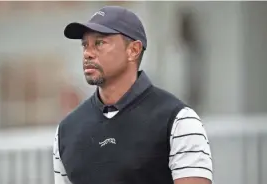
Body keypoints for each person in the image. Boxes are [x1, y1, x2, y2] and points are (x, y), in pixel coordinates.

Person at [53, 5, 213, 184]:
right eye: (85, 45)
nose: (88, 53)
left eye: (99, 43)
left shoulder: (179, 121)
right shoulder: (66, 131)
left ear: (133, 50)